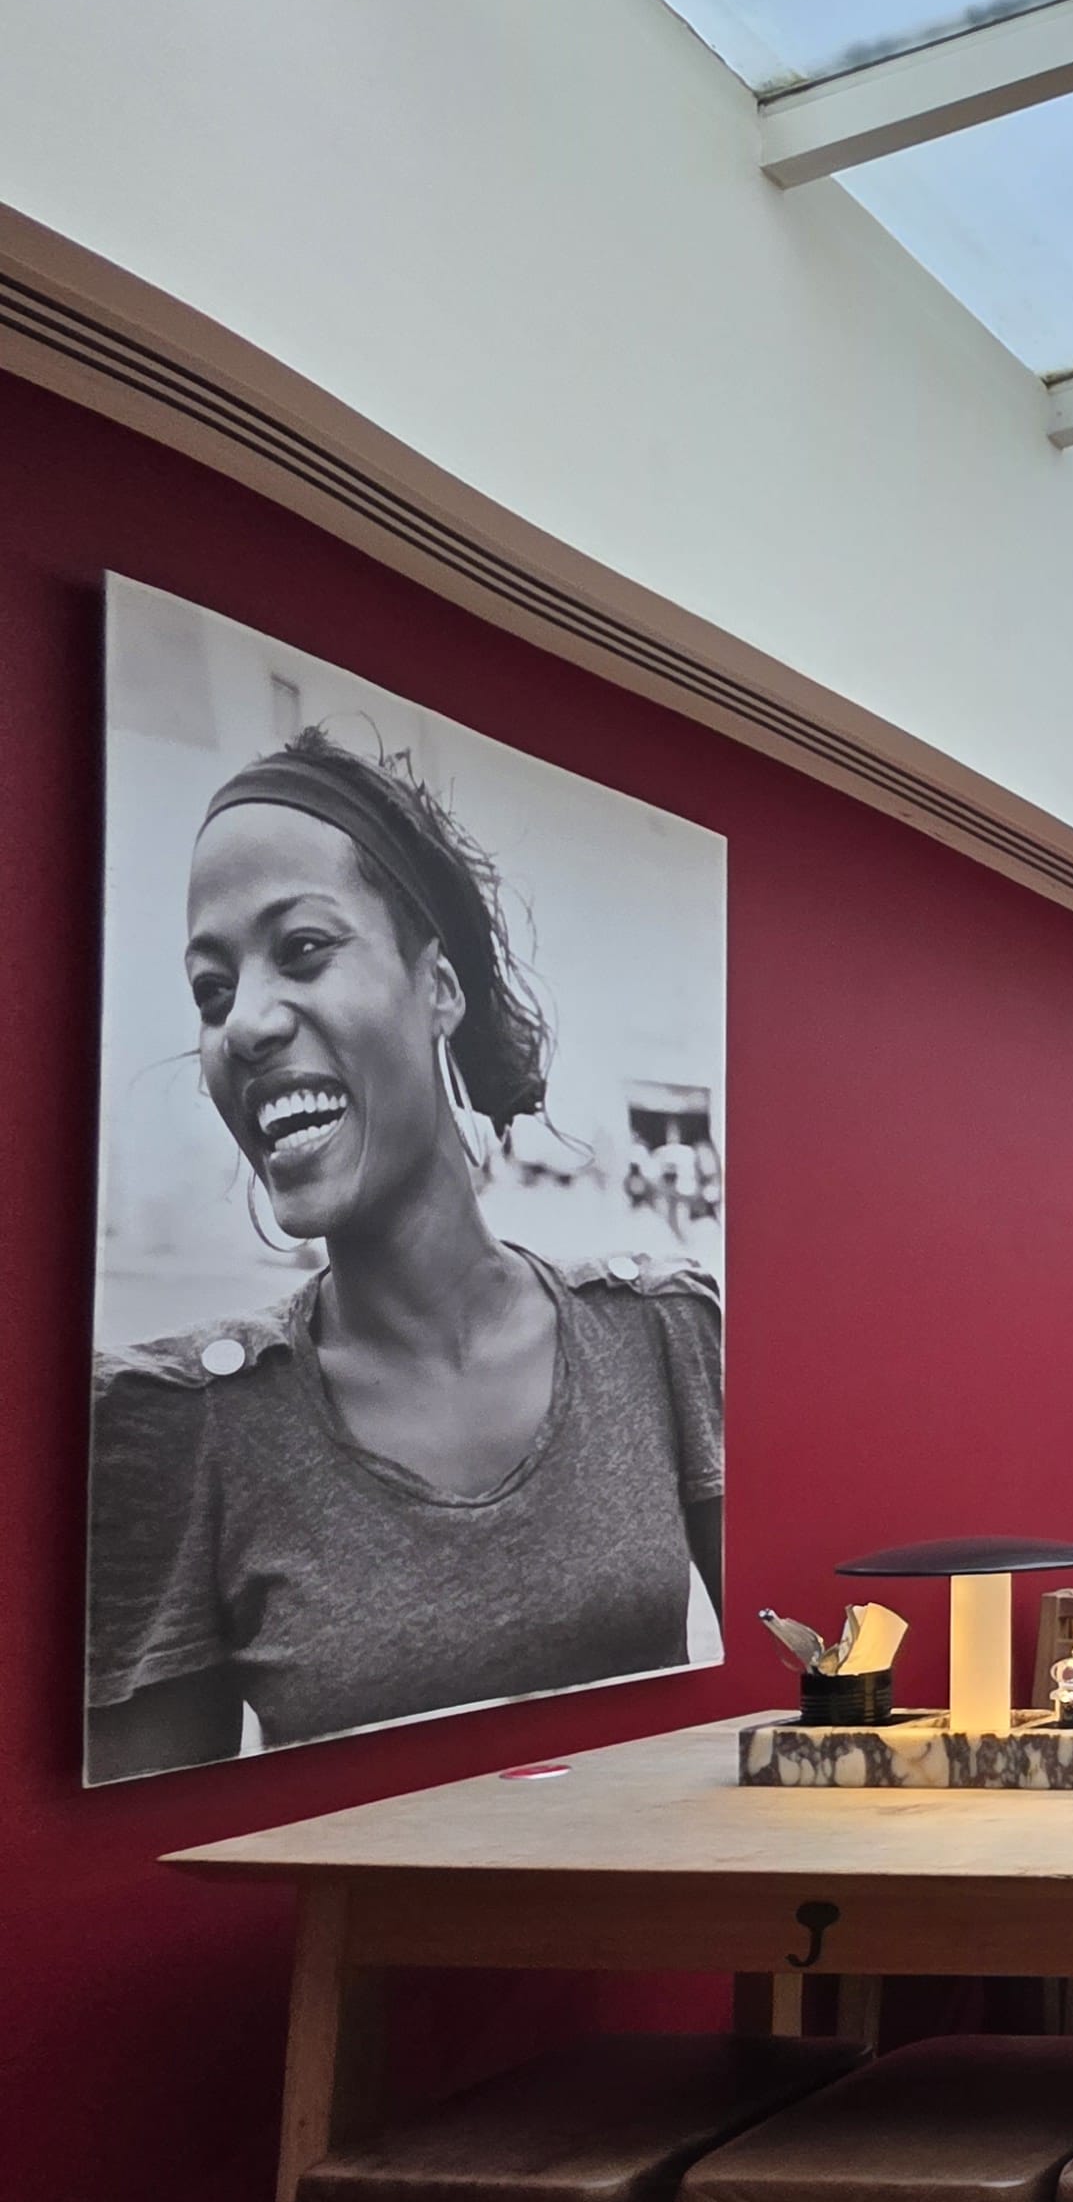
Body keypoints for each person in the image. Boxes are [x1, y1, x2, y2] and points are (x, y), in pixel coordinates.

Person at [84, 730, 721, 1780]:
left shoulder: (663, 1342)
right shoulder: (178, 1428)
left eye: (301, 951)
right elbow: (148, 1877)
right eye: (210, 991)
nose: (243, 1025)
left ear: (438, 988)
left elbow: (806, 1703)